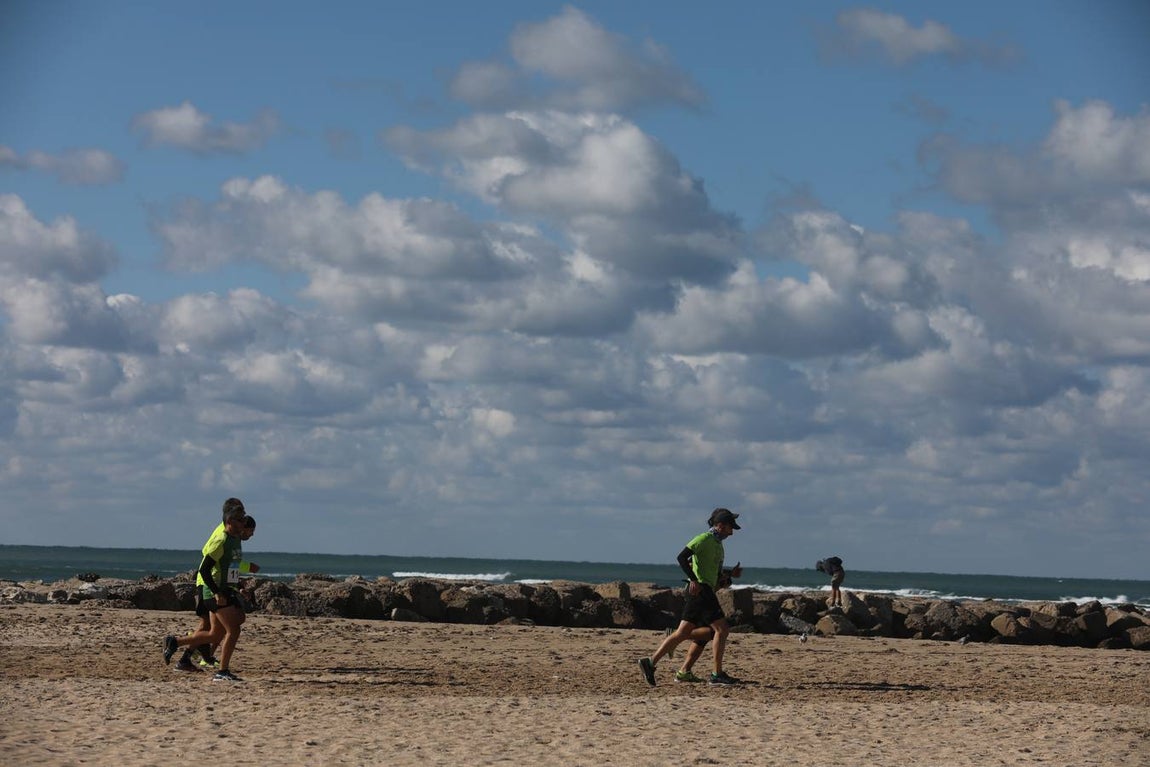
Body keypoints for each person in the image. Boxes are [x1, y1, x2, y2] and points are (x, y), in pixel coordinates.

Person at [638, 508, 744, 687]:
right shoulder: (703, 539)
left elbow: (713, 574)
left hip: (704, 589)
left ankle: (651, 663)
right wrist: (694, 580)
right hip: (700, 590)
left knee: (691, 633)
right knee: (721, 630)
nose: (732, 532)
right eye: (729, 528)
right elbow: (681, 557)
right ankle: (717, 675)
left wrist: (729, 575)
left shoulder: (718, 545)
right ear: (719, 526)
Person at [163, 500, 254, 682]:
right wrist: (217, 592)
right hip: (211, 588)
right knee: (230, 629)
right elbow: (205, 568)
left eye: (244, 517)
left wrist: (238, 586)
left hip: (222, 588)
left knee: (215, 633)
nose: (244, 522)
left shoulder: (234, 538)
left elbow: (230, 566)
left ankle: (178, 645)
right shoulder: (221, 538)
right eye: (241, 519)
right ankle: (218, 669)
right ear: (230, 520)